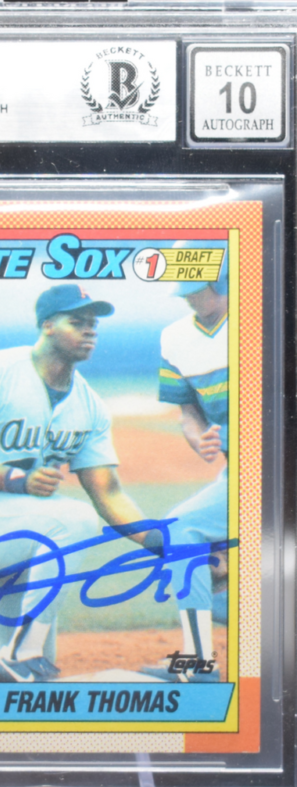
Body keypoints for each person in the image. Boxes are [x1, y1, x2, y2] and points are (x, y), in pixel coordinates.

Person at [0, 283, 148, 684]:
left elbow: (108, 492)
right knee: (74, 519)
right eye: (77, 321)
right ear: (47, 325)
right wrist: (17, 480)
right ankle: (23, 651)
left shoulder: (89, 406)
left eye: (93, 324)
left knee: (32, 675)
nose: (89, 330)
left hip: (22, 535)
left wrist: (163, 542)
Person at [142, 265, 228, 683]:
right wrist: (198, 438)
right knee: (187, 545)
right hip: (240, 475)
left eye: (198, 289)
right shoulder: (175, 338)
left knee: (181, 529)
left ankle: (198, 664)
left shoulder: (265, 324)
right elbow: (188, 412)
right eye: (185, 290)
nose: (190, 297)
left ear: (223, 281)